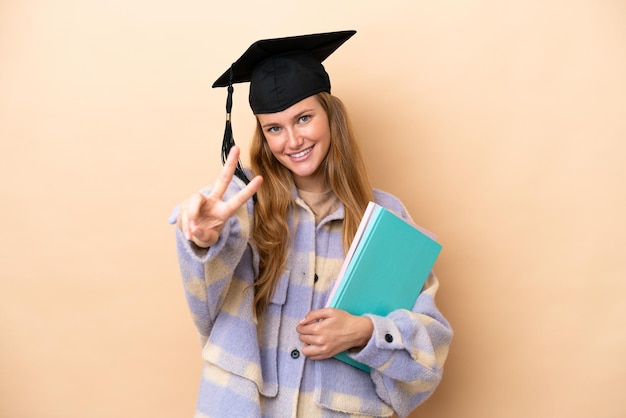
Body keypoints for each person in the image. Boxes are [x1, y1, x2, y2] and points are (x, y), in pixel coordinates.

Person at [170, 30, 452, 417]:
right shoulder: (240, 207)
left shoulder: (385, 219)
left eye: (303, 118)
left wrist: (364, 332)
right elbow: (205, 302)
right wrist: (204, 242)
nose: (292, 140)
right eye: (274, 128)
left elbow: (428, 358)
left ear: (330, 115)